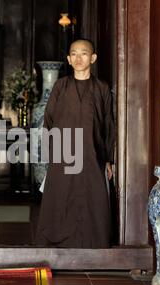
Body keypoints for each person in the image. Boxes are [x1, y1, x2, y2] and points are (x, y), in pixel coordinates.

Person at [34, 38, 116, 248]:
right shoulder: (61, 86)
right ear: (69, 59)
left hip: (92, 154)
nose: (79, 58)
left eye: (84, 53)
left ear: (93, 58)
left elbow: (108, 124)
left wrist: (108, 159)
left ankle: (94, 245)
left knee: (93, 199)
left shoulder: (101, 88)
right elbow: (49, 120)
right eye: (74, 54)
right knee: (62, 198)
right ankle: (58, 244)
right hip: (64, 155)